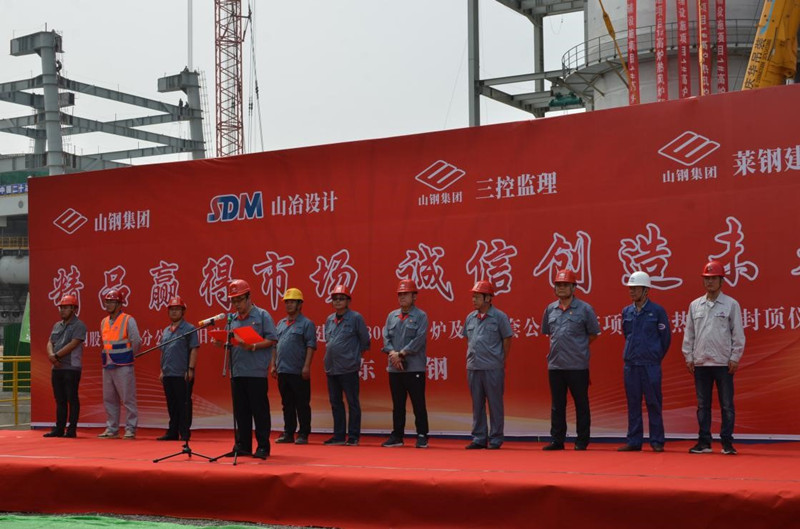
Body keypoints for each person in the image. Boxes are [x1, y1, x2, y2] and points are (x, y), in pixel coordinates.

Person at [682, 260, 745, 455]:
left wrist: (735, 357)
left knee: (727, 405)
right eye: (706, 279)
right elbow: (689, 333)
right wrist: (689, 357)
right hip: (701, 362)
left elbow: (738, 334)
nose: (709, 282)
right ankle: (704, 442)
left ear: (721, 281)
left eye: (713, 279)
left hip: (723, 363)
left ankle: (727, 443)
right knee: (703, 406)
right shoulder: (695, 305)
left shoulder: (731, 304)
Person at [212, 279, 277, 460]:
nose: (236, 304)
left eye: (239, 300)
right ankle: (243, 445)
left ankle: (263, 446)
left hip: (256, 371)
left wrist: (253, 346)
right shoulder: (231, 320)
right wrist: (221, 343)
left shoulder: (262, 315)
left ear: (249, 297)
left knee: (259, 411)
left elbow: (272, 340)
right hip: (237, 371)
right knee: (241, 412)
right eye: (233, 300)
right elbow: (231, 342)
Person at [541, 269, 601, 451]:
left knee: (581, 404)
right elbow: (548, 333)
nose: (561, 288)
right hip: (555, 365)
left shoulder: (585, 309)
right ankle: (557, 440)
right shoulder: (550, 309)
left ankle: (582, 441)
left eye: (565, 285)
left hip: (577, 365)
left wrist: (578, 347)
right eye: (558, 285)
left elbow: (593, 333)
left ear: (574, 288)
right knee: (557, 405)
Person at [617, 272, 671, 453]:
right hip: (631, 364)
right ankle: (634, 441)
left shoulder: (657, 311)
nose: (632, 292)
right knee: (633, 403)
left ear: (646, 290)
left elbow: (665, 339)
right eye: (630, 288)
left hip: (650, 364)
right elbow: (627, 334)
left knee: (653, 403)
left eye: (636, 288)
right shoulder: (627, 311)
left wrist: (654, 355)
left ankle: (656, 441)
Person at [462, 280, 513, 450]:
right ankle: (479, 438)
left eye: (477, 297)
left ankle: (496, 438)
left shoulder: (499, 317)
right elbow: (468, 339)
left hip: (493, 367)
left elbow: (507, 339)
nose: (474, 300)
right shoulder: (470, 317)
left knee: (495, 404)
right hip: (473, 367)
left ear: (488, 298)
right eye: (473, 296)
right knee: (477, 404)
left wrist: (500, 359)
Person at [381, 279, 430, 449]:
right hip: (395, 368)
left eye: (406, 294)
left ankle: (422, 435)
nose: (402, 297)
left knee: (418, 403)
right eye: (400, 294)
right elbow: (386, 338)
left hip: (414, 367)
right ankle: (397, 436)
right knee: (398, 404)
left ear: (414, 296)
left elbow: (419, 339)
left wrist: (402, 353)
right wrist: (393, 354)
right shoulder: (392, 316)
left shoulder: (421, 316)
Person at [322, 284, 370, 446]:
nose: (337, 301)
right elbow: (328, 341)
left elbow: (365, 341)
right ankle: (339, 436)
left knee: (352, 402)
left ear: (348, 301)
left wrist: (353, 357)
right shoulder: (329, 319)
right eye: (335, 299)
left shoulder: (356, 318)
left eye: (341, 298)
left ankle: (354, 436)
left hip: (348, 368)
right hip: (331, 368)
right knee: (335, 403)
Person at [270, 287, 317, 445]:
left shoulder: (306, 324)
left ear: (300, 304)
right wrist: (273, 365)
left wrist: (306, 366)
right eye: (287, 302)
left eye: (292, 302)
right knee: (287, 404)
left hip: (298, 370)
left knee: (302, 404)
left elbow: (311, 346)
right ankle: (288, 432)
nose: (289, 305)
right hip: (282, 369)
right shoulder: (281, 324)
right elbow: (275, 346)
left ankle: (303, 433)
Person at [98, 288, 142, 440]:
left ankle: (130, 428)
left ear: (119, 304)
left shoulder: (128, 320)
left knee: (128, 398)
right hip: (107, 364)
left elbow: (136, 341)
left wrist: (129, 355)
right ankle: (112, 429)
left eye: (112, 302)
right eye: (107, 302)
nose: (108, 305)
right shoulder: (104, 321)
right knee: (109, 399)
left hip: (124, 364)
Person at [44, 294, 87, 438]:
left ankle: (72, 429)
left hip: (71, 368)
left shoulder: (79, 325)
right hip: (57, 368)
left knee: (72, 398)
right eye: (61, 307)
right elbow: (50, 342)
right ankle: (59, 428)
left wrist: (56, 356)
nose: (62, 310)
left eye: (66, 307)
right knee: (60, 399)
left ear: (74, 309)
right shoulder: (57, 325)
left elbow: (73, 343)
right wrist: (51, 355)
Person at [157, 296, 199, 442]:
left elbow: (194, 349)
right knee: (172, 404)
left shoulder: (189, 329)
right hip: (168, 373)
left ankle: (184, 432)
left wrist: (190, 369)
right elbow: (163, 352)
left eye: (177, 309)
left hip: (182, 373)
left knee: (184, 403)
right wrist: (162, 370)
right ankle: (172, 431)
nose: (174, 312)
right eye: (171, 309)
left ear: (183, 311)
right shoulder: (166, 331)